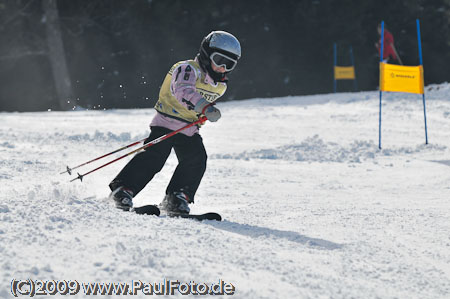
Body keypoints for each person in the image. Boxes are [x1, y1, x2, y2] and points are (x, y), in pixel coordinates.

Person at [108, 30, 241, 215]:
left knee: (196, 159)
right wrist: (205, 108)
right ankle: (122, 189)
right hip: (165, 122)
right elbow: (183, 91)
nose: (223, 68)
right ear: (206, 54)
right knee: (155, 157)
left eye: (229, 64)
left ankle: (177, 197)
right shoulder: (188, 69)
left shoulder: (219, 85)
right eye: (219, 60)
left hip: (188, 129)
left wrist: (203, 116)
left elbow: (196, 107)